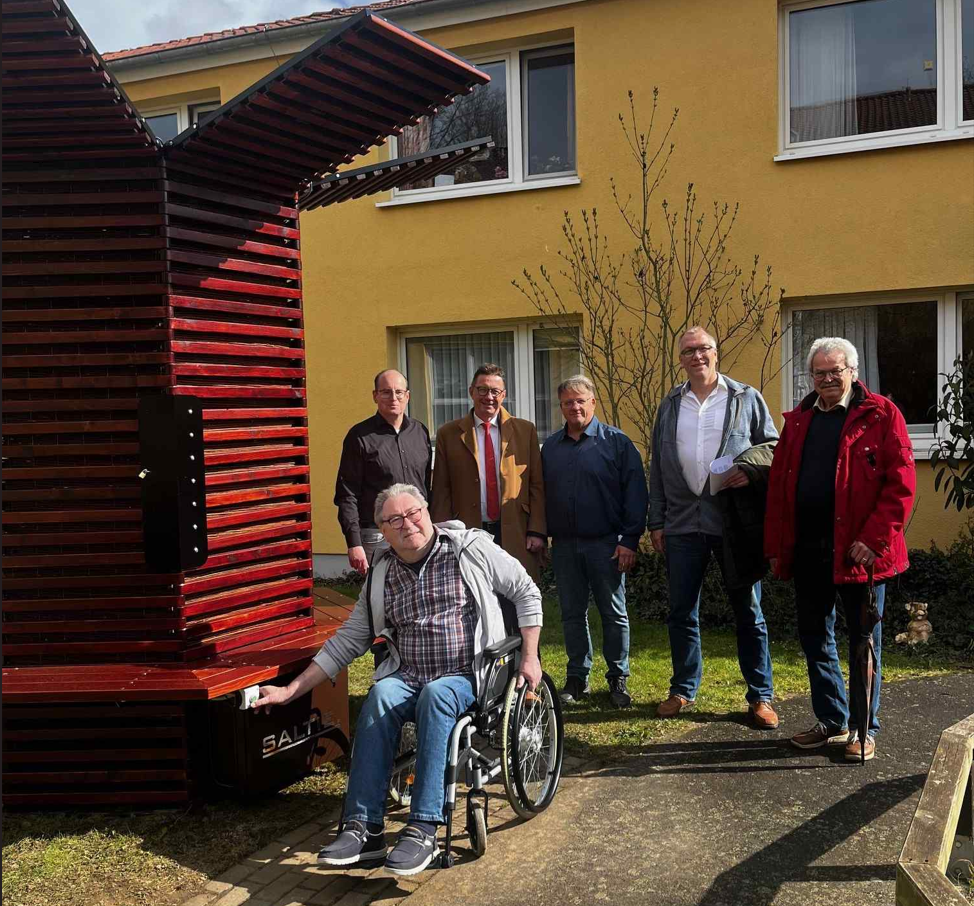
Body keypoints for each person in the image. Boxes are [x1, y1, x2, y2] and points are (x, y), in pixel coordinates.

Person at [254, 483, 542, 875]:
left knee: (437, 696)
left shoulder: (469, 549)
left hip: (469, 674)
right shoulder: (382, 572)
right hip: (407, 674)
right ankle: (363, 828)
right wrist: (291, 689)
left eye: (413, 513)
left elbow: (526, 592)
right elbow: (348, 641)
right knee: (381, 694)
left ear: (427, 511)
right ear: (383, 531)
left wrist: (529, 657)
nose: (407, 524)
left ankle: (423, 826)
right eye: (394, 520)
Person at [765, 337, 916, 761]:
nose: (828, 379)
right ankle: (831, 720)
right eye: (820, 373)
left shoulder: (882, 414)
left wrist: (872, 539)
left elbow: (901, 484)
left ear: (853, 371)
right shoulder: (798, 421)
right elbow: (779, 488)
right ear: (810, 377)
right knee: (815, 638)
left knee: (863, 642)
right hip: (811, 550)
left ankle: (863, 729)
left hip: (861, 555)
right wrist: (777, 546)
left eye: (836, 371)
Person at [648, 327, 780, 728]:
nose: (696, 356)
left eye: (703, 348)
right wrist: (657, 520)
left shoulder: (745, 398)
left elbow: (774, 447)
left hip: (732, 523)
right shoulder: (671, 404)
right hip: (683, 522)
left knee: (749, 611)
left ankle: (760, 696)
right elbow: (657, 465)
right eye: (688, 350)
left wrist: (748, 469)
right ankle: (683, 687)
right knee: (681, 611)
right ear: (682, 358)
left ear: (715, 353)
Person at [541, 375, 648, 709]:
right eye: (568, 402)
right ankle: (577, 677)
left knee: (613, 613)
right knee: (572, 614)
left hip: (607, 544)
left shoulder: (617, 443)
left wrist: (629, 539)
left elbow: (636, 494)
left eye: (580, 400)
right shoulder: (551, 448)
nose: (574, 407)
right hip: (565, 546)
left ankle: (618, 677)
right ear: (560, 407)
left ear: (593, 403)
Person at [430, 363, 546, 581]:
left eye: (495, 391)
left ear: (504, 395)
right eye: (482, 390)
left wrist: (537, 530)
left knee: (515, 597)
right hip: (467, 530)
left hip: (515, 530)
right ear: (471, 392)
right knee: (473, 596)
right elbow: (441, 489)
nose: (488, 397)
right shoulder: (448, 434)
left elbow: (536, 485)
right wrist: (441, 534)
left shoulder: (525, 430)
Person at [335, 369, 431, 575]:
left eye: (398, 392)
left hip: (418, 530)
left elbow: (427, 484)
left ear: (407, 396)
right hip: (379, 535)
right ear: (375, 396)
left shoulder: (420, 432)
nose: (393, 398)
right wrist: (354, 543)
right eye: (386, 392)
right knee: (379, 599)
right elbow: (347, 493)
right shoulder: (359, 437)